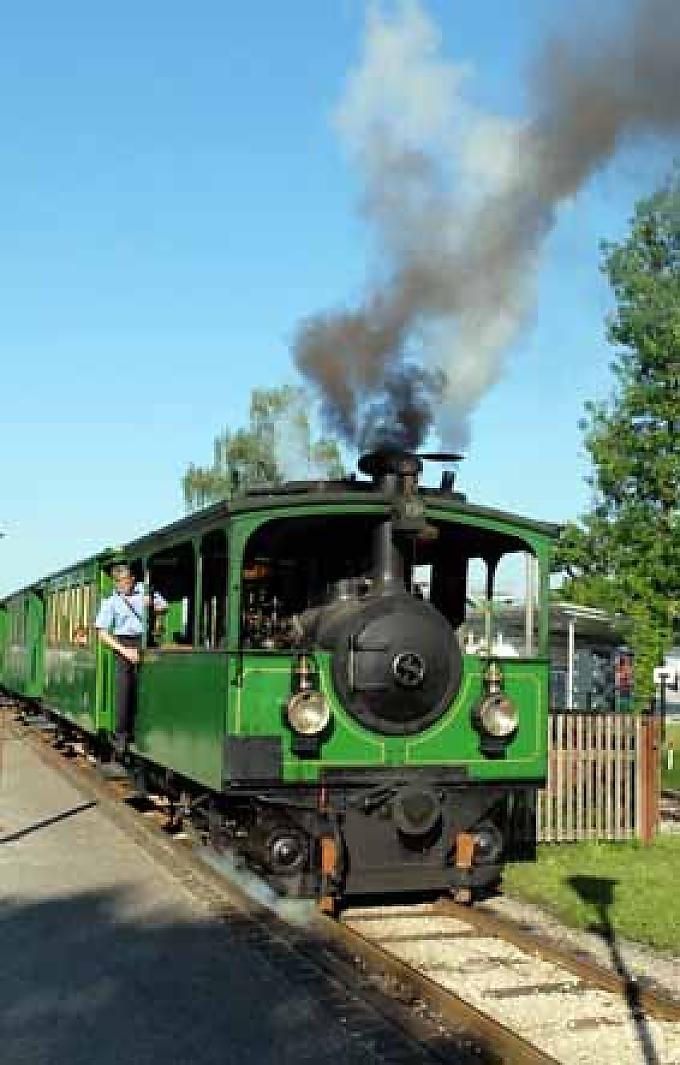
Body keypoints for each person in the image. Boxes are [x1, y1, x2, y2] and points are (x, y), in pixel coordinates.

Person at [95, 564, 167, 757]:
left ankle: (152, 731)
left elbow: (164, 607)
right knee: (125, 689)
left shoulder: (145, 590)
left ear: (132, 579)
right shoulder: (110, 602)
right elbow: (102, 633)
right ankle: (122, 735)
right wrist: (124, 651)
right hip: (124, 643)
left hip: (147, 642)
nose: (123, 585)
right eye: (119, 582)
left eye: (126, 581)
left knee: (152, 687)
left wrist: (151, 603)